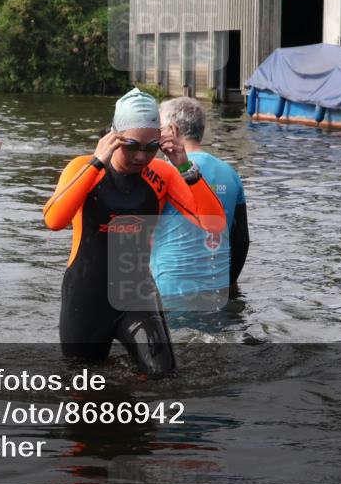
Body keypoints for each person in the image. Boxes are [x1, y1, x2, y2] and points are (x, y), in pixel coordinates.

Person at [42, 88, 226, 377]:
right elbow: (53, 220)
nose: (141, 156)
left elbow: (214, 223)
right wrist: (95, 163)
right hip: (86, 297)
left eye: (151, 146)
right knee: (84, 387)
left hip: (136, 293)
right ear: (113, 137)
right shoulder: (83, 168)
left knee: (162, 377)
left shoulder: (162, 176)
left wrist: (184, 166)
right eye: (131, 145)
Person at [151, 97, 249, 311]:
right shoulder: (230, 174)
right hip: (216, 291)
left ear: (172, 130)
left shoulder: (162, 173)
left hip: (169, 291)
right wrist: (229, 284)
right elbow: (241, 240)